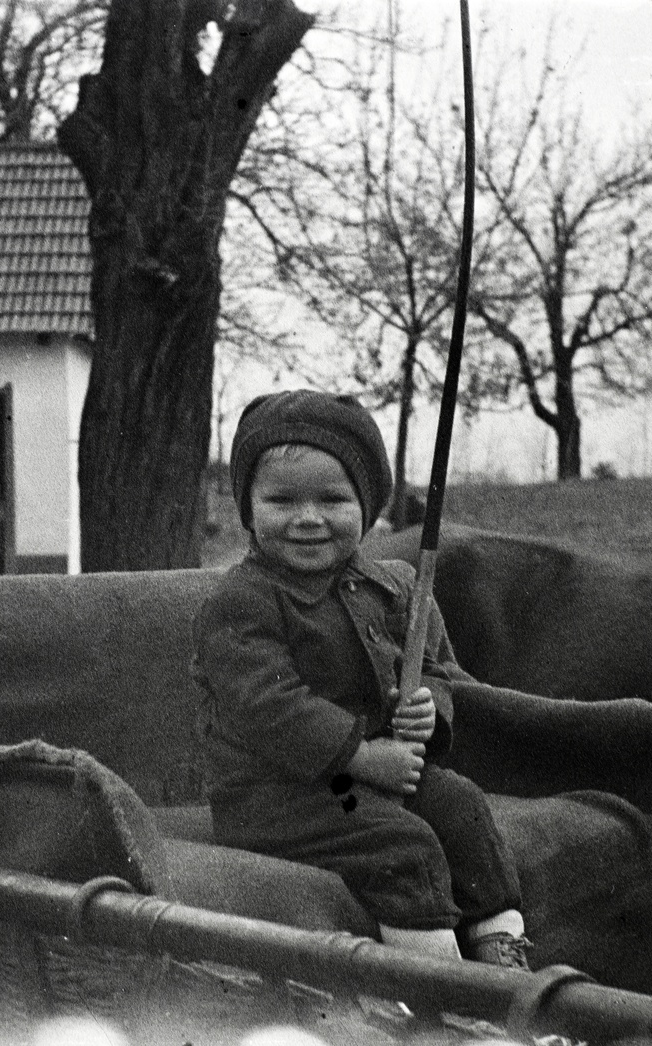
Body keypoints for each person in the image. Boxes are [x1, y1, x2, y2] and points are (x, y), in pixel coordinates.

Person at [193, 390, 530, 969]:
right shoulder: (241, 602)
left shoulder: (395, 586)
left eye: (333, 499)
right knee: (403, 844)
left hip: (369, 780)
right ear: (248, 508)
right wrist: (361, 757)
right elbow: (269, 706)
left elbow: (431, 667)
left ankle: (499, 951)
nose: (307, 518)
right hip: (283, 794)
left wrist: (429, 705)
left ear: (367, 506)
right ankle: (440, 987)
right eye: (280, 500)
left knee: (461, 804)